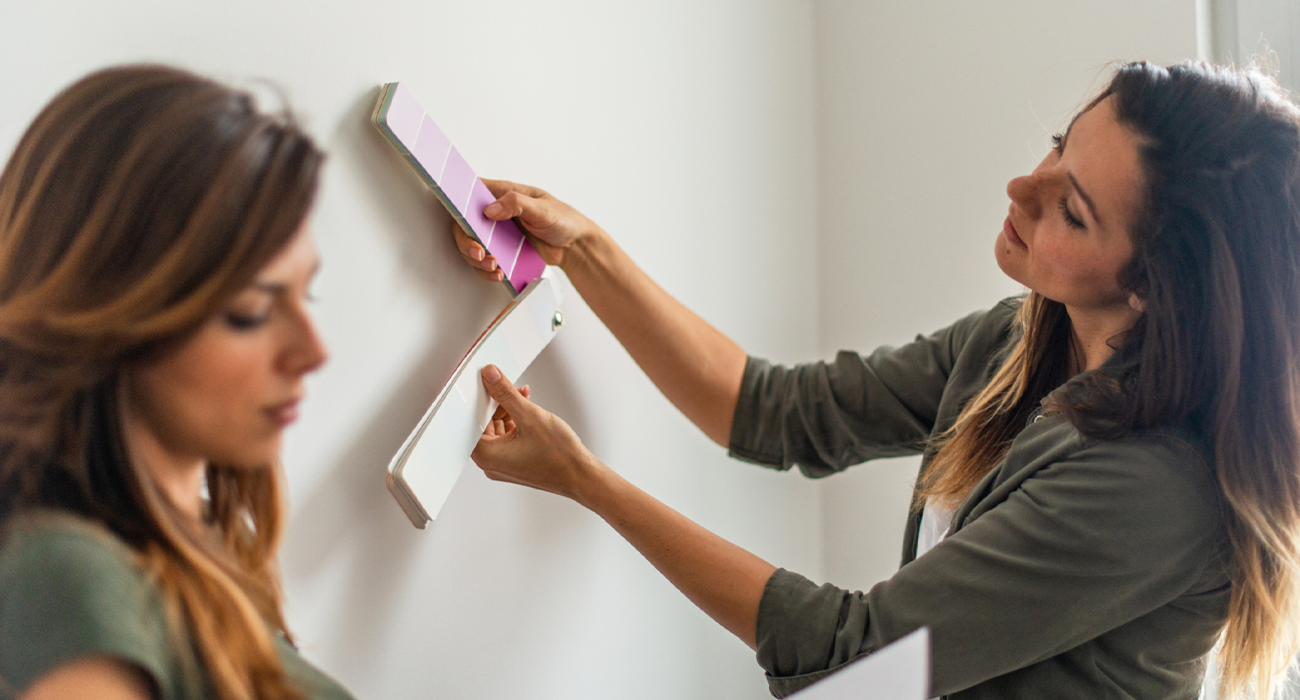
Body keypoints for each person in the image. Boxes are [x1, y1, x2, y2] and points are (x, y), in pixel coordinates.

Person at [458, 61, 1300, 699]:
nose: (1021, 187)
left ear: (1153, 285)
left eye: (1071, 209)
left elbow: (855, 658)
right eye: (1056, 144)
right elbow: (771, 409)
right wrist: (584, 250)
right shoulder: (1016, 343)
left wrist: (585, 480)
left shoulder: (1151, 490)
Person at [0, 65, 353, 699]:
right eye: (250, 311)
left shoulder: (204, 541)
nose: (315, 352)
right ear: (111, 315)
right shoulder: (72, 578)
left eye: (307, 295)